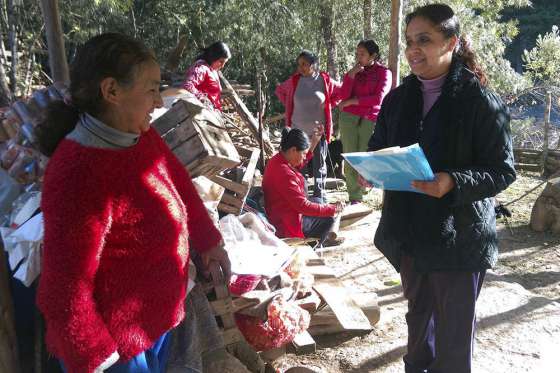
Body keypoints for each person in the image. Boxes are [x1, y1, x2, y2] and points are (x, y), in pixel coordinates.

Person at [35, 33, 230, 373]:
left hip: (152, 322)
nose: (158, 102)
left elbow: (177, 181)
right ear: (111, 91)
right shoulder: (78, 173)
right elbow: (64, 289)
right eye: (152, 89)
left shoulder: (138, 134)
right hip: (115, 349)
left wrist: (208, 240)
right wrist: (96, 358)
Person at [365, 4, 516, 373]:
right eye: (410, 41)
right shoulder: (398, 100)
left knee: (453, 332)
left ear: (452, 42)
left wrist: (453, 181)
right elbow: (378, 145)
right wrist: (372, 168)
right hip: (410, 231)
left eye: (425, 40)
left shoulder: (479, 100)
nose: (414, 49)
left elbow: (502, 170)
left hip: (459, 236)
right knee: (419, 320)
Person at [275, 50, 340, 202]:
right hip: (298, 132)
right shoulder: (294, 81)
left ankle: (320, 194)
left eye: (304, 64)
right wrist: (289, 105)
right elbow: (279, 91)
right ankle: (301, 193)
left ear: (313, 65)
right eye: (299, 64)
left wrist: (330, 104)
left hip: (318, 131)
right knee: (299, 164)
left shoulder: (324, 80)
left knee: (319, 164)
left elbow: (340, 91)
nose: (301, 67)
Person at [262, 127, 344, 246]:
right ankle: (310, 246)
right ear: (293, 150)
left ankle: (317, 238)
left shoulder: (278, 160)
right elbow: (302, 206)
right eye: (304, 154)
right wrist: (332, 209)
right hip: (285, 223)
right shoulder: (284, 173)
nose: (305, 157)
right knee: (328, 218)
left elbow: (297, 166)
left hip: (282, 211)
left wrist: (314, 142)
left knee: (318, 200)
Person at [338, 39, 392, 203]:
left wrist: (353, 102)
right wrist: (351, 76)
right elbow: (343, 96)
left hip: (370, 117)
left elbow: (378, 98)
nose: (358, 57)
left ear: (373, 55)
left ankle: (364, 190)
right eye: (357, 54)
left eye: (362, 54)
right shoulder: (354, 71)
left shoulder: (384, 72)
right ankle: (354, 196)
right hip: (348, 118)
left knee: (365, 155)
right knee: (350, 156)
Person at [182, 41, 231, 111]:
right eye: (221, 61)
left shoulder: (212, 70)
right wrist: (203, 99)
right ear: (213, 56)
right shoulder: (201, 68)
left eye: (224, 63)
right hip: (202, 115)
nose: (223, 66)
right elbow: (187, 85)